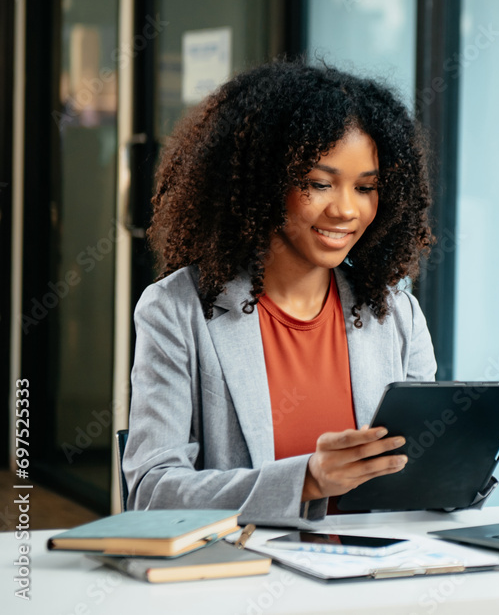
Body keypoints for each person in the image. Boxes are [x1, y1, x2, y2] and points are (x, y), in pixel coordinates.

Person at [122, 59, 436, 525]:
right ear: (263, 183)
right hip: (245, 581)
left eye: (366, 187)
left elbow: (420, 475)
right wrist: (306, 479)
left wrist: (462, 464)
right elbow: (152, 493)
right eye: (319, 183)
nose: (346, 210)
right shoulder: (177, 310)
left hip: (371, 578)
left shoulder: (396, 313)